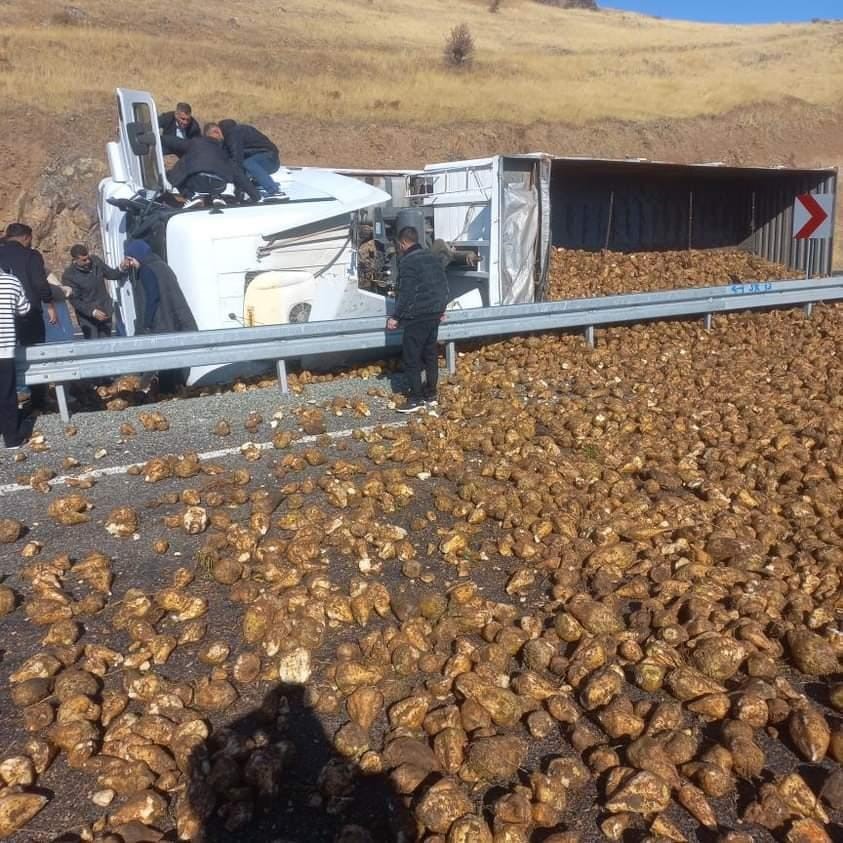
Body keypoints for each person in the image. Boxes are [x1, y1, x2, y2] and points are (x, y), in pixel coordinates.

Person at [387, 226, 450, 413]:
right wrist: (441, 309)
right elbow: (444, 285)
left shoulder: (408, 262)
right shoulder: (432, 257)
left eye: (399, 245)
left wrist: (395, 317)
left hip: (417, 316)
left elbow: (406, 293)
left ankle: (415, 399)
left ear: (403, 243)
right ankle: (431, 394)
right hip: (434, 314)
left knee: (412, 358)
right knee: (430, 354)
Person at [122, 240, 198, 394]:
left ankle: (162, 393)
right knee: (173, 358)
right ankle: (175, 391)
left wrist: (147, 323)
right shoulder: (161, 265)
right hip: (173, 318)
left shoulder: (146, 270)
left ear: (138, 256)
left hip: (160, 322)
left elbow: (153, 296)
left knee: (162, 360)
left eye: (130, 259)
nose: (130, 263)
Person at [0, 223, 57, 410]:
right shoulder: (31, 256)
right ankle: (38, 400)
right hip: (29, 314)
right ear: (26, 237)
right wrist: (49, 304)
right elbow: (40, 284)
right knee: (34, 354)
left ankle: (11, 398)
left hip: (4, 314)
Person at [167, 127, 260, 204]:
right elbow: (238, 174)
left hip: (196, 182)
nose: (222, 136)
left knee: (171, 173)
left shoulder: (194, 142)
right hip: (218, 185)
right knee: (222, 176)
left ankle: (192, 196)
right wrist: (256, 196)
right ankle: (217, 196)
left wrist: (156, 138)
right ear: (215, 132)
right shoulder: (222, 153)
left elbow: (172, 142)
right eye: (220, 133)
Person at [62, 244, 123, 339]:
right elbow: (75, 301)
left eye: (88, 258)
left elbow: (111, 274)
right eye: (84, 260)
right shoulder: (69, 276)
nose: (88, 261)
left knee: (107, 344)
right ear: (75, 260)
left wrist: (122, 268)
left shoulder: (95, 262)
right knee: (94, 346)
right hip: (88, 318)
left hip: (105, 310)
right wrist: (93, 312)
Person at [0, 269, 31, 448]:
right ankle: (11, 439)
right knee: (6, 393)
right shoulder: (12, 281)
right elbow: (24, 308)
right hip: (4, 346)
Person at [215, 119, 282, 197]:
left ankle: (274, 190)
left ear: (222, 129)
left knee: (247, 163)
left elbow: (237, 158)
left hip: (268, 159)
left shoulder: (233, 134)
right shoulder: (241, 131)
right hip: (271, 159)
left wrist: (238, 187)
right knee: (246, 164)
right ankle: (259, 183)